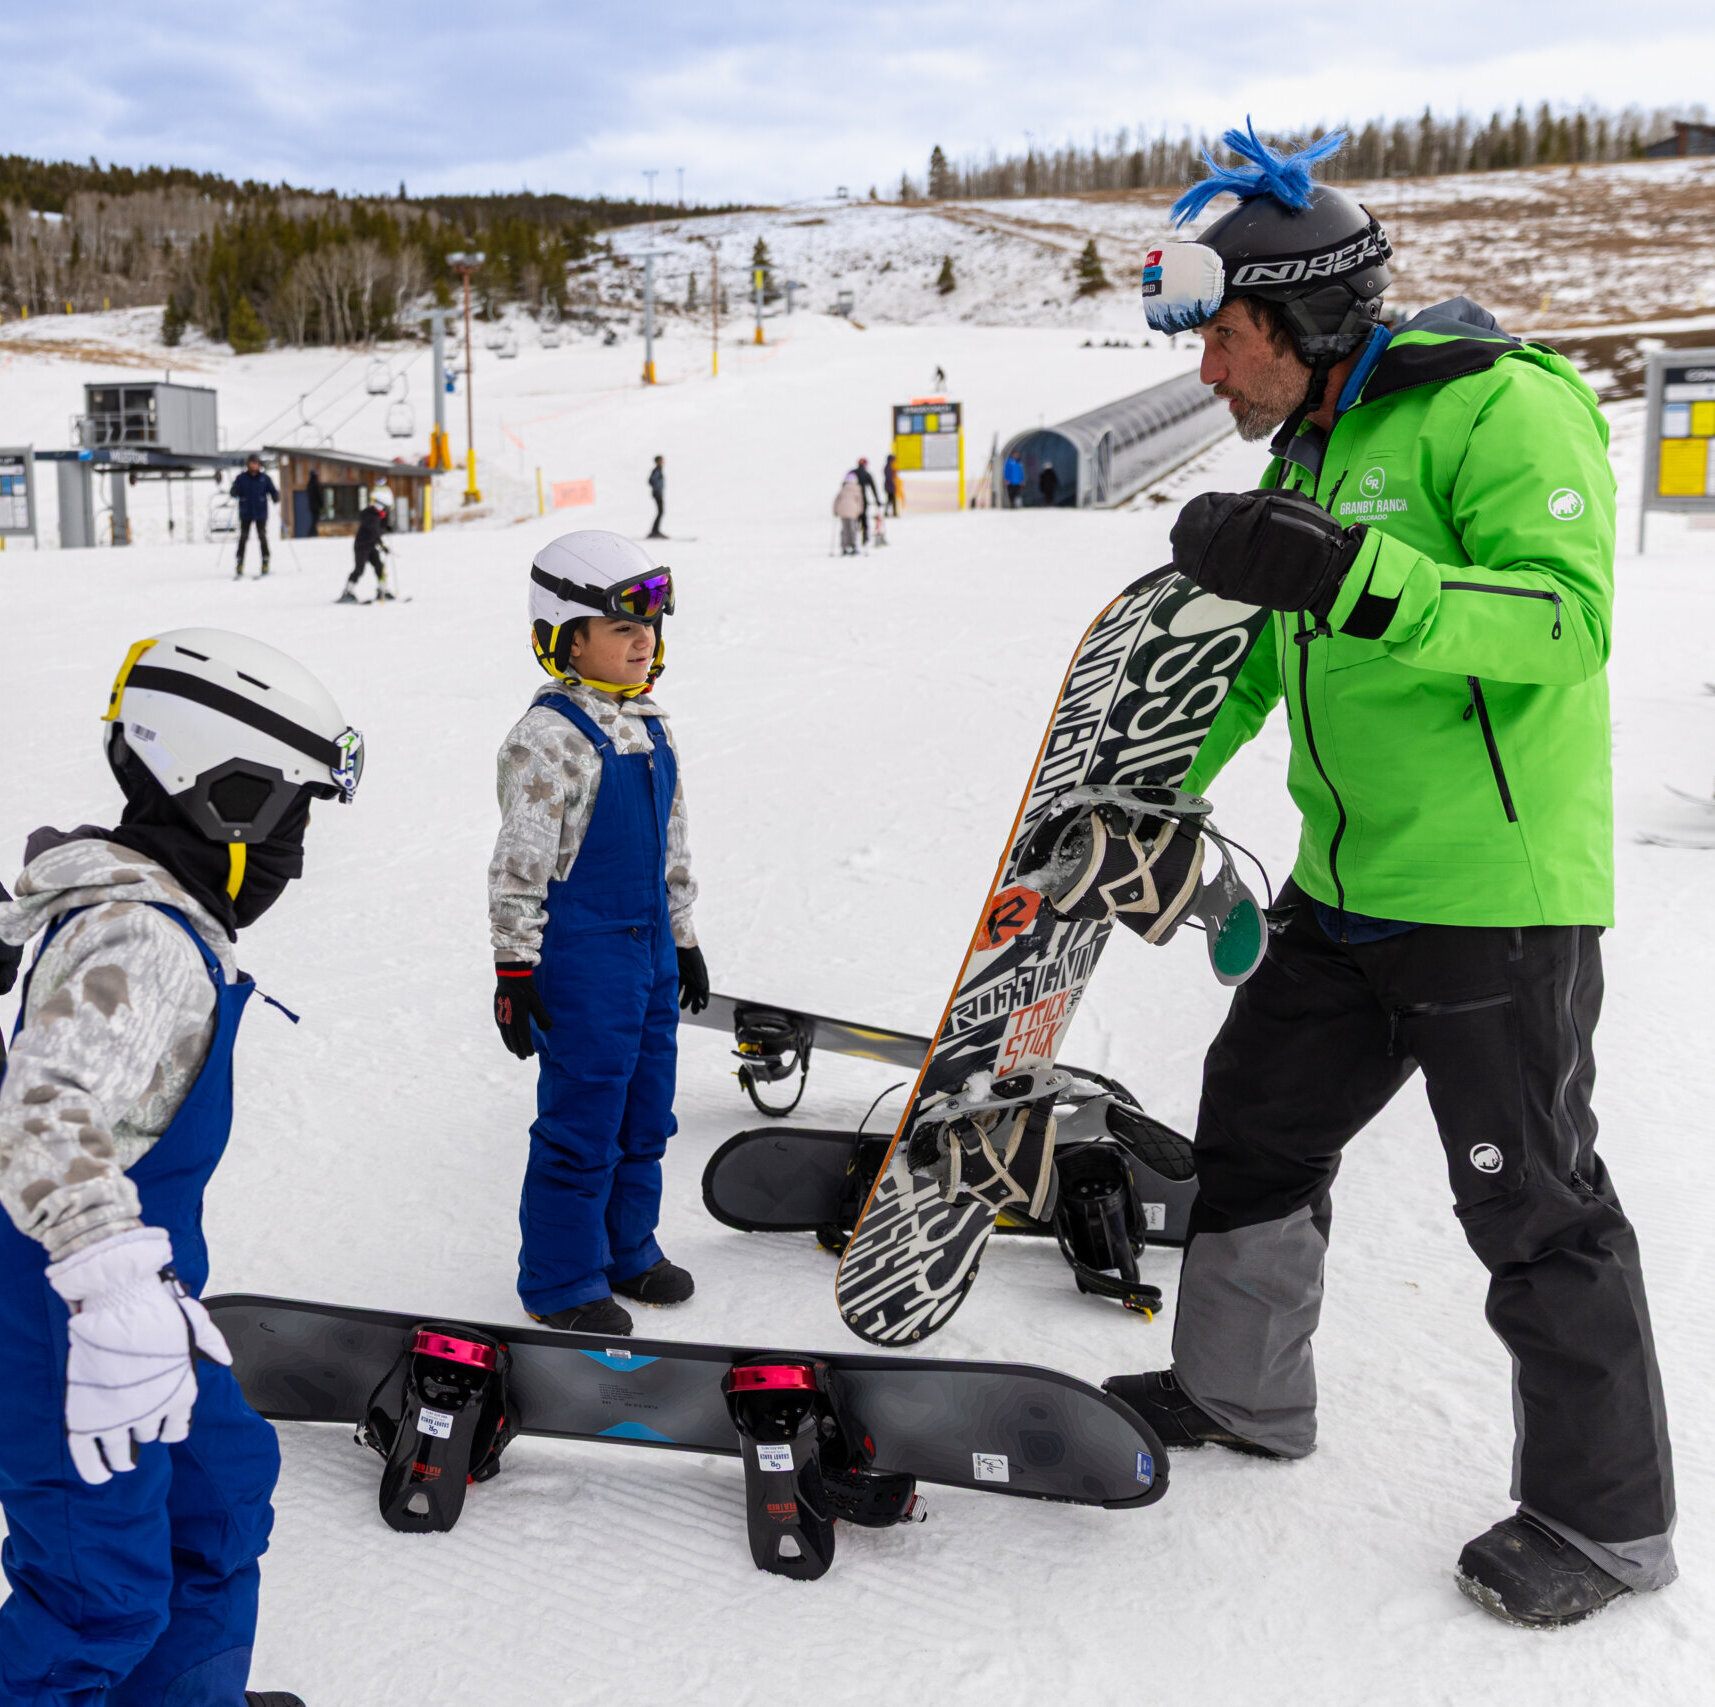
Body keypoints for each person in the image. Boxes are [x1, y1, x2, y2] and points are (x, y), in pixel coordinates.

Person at [1107, 121, 1673, 1630]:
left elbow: (1562, 624)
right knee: (1252, 1130)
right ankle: (1237, 1391)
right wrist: (1150, 759)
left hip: (1491, 898)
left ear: (1299, 317)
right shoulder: (1313, 440)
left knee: (1531, 1205)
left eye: (1224, 337)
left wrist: (1361, 575)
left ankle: (1602, 1522)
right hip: (1343, 889)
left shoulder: (1500, 411)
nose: (1210, 372)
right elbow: (1258, 652)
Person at [0, 625, 363, 1705]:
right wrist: (110, 1286)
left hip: (144, 1308)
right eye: (292, 814)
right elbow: (41, 1111)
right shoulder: (146, 939)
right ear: (228, 796)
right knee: (95, 1593)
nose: (294, 854)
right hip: (73, 1326)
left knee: (218, 1495)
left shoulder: (152, 922)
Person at [488, 531, 707, 1335]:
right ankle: (560, 1278)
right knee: (584, 1117)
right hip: (582, 958)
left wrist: (681, 936)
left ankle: (627, 1248)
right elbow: (519, 862)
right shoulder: (551, 736)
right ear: (566, 636)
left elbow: (672, 844)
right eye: (621, 628)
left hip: (646, 950)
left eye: (649, 627)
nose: (642, 641)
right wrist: (516, 967)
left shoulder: (650, 726)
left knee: (646, 1111)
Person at [229, 454, 278, 579]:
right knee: (243, 537)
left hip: (260, 512)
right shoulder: (242, 478)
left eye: (256, 463)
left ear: (259, 465)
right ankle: (239, 562)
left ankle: (265, 561)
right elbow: (234, 489)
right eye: (252, 463)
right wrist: (234, 492)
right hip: (246, 512)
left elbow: (273, 490)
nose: (254, 465)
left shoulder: (264, 478)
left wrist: (275, 496)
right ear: (248, 464)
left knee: (262, 536)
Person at [338, 496, 392, 604]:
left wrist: (384, 530)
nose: (385, 511)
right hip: (361, 546)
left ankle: (382, 589)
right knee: (359, 569)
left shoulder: (376, 516)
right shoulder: (369, 515)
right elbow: (373, 531)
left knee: (379, 566)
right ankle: (348, 591)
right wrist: (382, 544)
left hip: (371, 546)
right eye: (384, 508)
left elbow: (377, 531)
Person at [833, 474, 863, 555]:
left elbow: (836, 500)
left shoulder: (843, 489)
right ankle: (853, 546)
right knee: (852, 529)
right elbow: (860, 502)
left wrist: (835, 511)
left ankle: (844, 547)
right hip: (853, 512)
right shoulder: (857, 489)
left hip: (842, 511)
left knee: (844, 529)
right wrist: (860, 511)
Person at [854, 457, 880, 544]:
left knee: (854, 519)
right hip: (863, 500)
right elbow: (873, 488)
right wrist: (877, 500)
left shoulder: (852, 473)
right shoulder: (867, 474)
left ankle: (853, 536)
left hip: (853, 501)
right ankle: (865, 537)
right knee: (864, 518)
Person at [647, 455, 665, 539]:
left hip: (659, 493)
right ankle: (655, 531)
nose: (663, 462)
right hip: (657, 493)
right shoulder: (656, 470)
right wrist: (656, 489)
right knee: (660, 512)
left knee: (660, 512)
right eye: (661, 460)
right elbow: (651, 481)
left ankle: (656, 530)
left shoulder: (659, 470)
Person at [303, 468, 323, 538]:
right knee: (315, 520)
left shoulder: (310, 484)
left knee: (314, 520)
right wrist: (321, 504)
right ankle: (311, 533)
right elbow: (318, 495)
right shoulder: (314, 484)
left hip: (312, 506)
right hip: (315, 506)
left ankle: (313, 533)